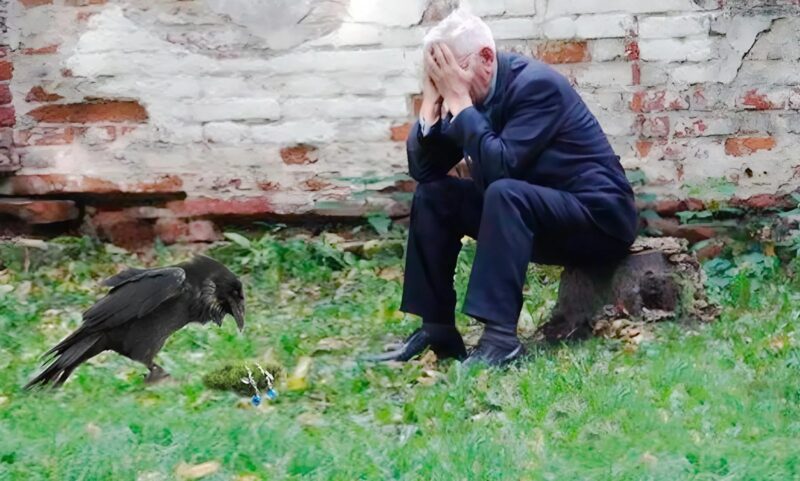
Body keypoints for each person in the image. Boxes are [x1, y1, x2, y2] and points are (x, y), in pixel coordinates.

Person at [367, 9, 638, 367]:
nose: (449, 84)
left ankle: (500, 340)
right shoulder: (472, 95)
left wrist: (460, 103)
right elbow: (425, 170)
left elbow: (501, 169)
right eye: (439, 75)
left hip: (597, 220)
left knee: (505, 191)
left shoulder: (535, 86)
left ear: (486, 57)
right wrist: (431, 107)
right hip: (532, 217)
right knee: (434, 194)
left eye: (453, 71)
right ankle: (437, 328)